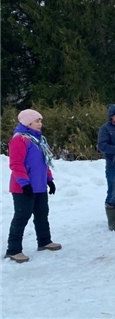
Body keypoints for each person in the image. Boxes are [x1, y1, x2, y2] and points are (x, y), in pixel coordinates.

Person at [5, 109, 61, 263]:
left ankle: (44, 241)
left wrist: (49, 179)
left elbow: (44, 162)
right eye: (37, 121)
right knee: (22, 216)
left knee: (42, 214)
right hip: (23, 187)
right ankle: (13, 250)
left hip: (40, 185)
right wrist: (24, 184)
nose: (40, 124)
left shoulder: (39, 140)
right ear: (27, 123)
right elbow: (16, 164)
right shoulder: (19, 140)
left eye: (40, 121)